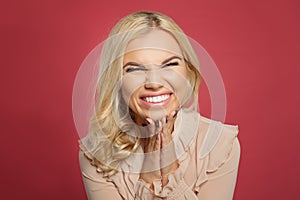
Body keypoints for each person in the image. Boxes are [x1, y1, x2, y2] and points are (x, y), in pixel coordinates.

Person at [78, 10, 240, 200]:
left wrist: (170, 174)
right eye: (135, 68)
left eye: (169, 64)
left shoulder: (219, 144)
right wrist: (151, 176)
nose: (154, 83)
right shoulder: (97, 154)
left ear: (188, 71)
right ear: (116, 79)